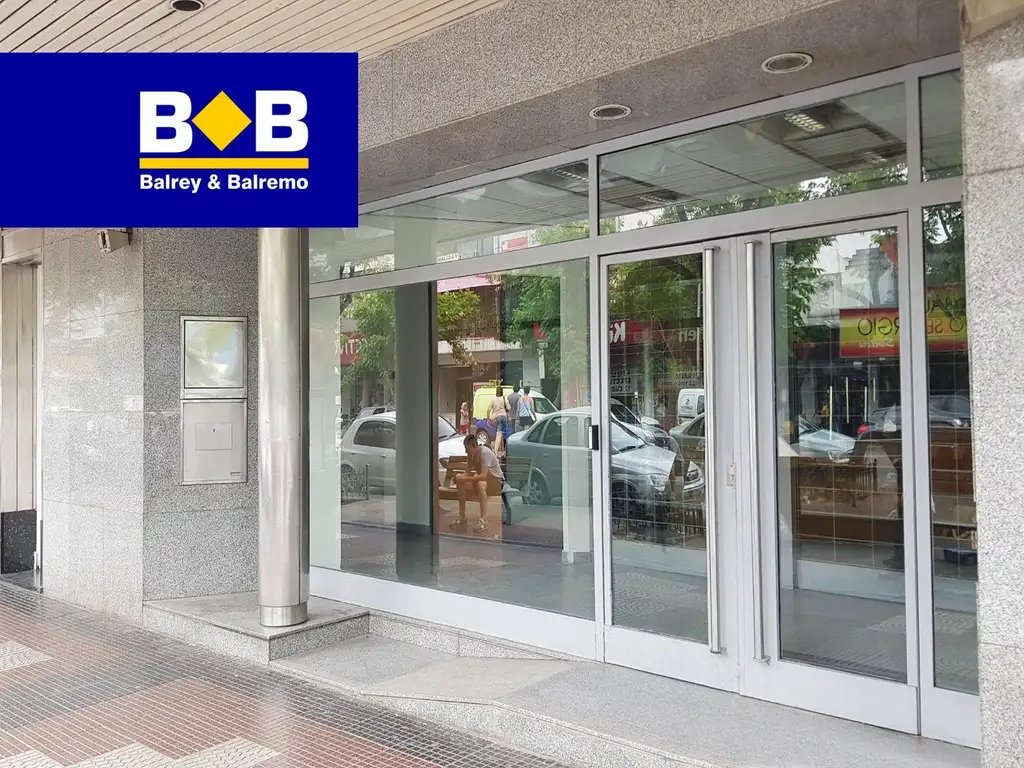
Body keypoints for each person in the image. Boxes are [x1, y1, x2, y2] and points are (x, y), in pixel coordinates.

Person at [452, 434, 504, 533]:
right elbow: (467, 472)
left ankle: (483, 520)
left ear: (474, 446)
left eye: (467, 449)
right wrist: (460, 477)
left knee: (480, 484)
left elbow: (483, 475)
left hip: (496, 481)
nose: (466, 451)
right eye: (465, 448)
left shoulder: (485, 453)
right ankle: (462, 518)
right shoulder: (470, 455)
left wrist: (465, 479)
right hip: (483, 480)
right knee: (461, 484)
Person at [487, 386, 511, 456]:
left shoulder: (493, 400)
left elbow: (488, 409)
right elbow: (509, 408)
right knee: (500, 434)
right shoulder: (504, 398)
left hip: (495, 417)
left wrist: (488, 418)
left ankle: (502, 450)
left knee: (500, 433)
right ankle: (496, 450)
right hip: (503, 417)